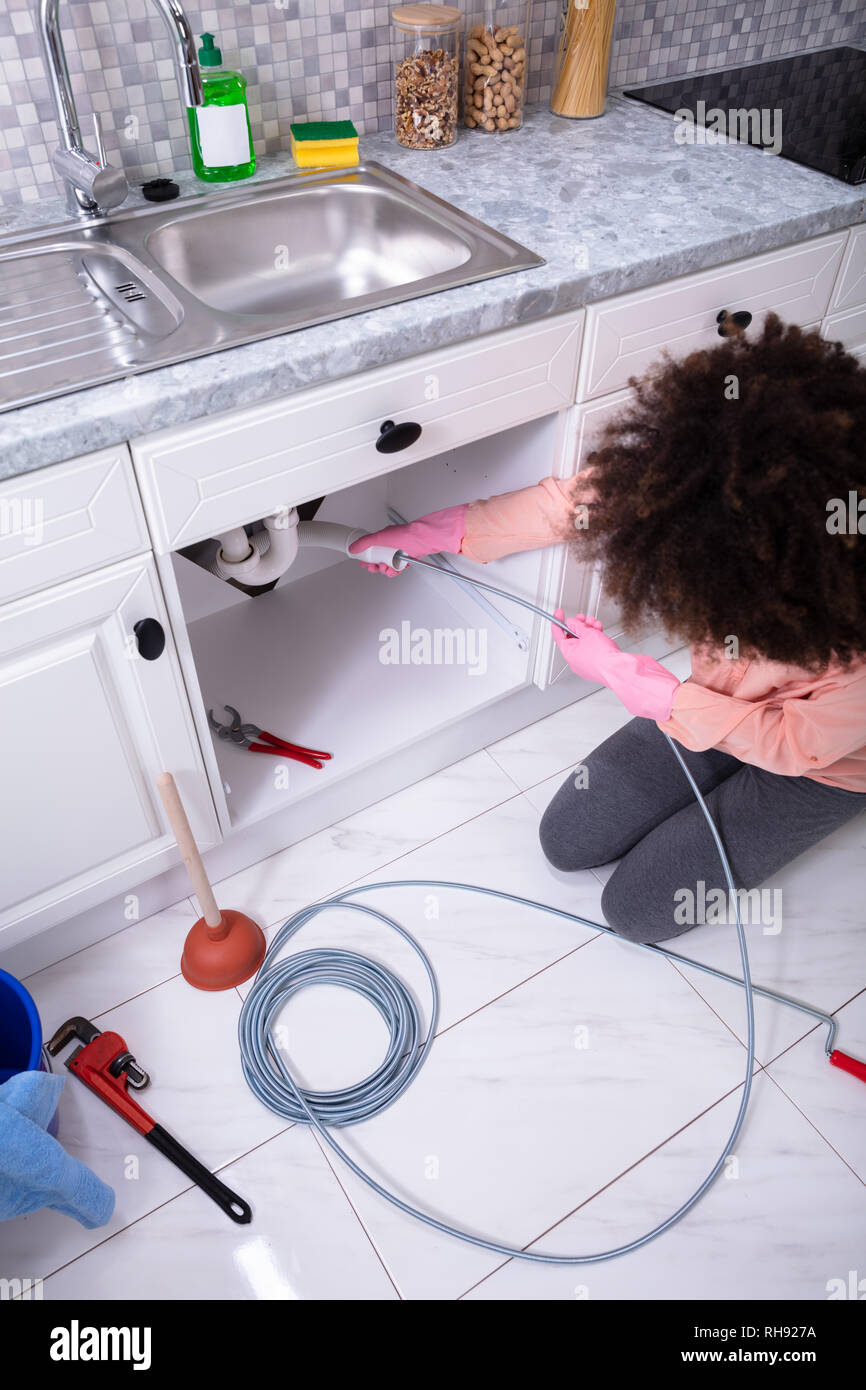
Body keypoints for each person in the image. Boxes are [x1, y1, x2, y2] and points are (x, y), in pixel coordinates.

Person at [349, 314, 866, 944]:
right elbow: (574, 504)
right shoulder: (715, 474)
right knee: (567, 839)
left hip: (822, 766)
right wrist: (432, 533)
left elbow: (794, 745)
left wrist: (649, 690)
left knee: (637, 911)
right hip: (717, 708)